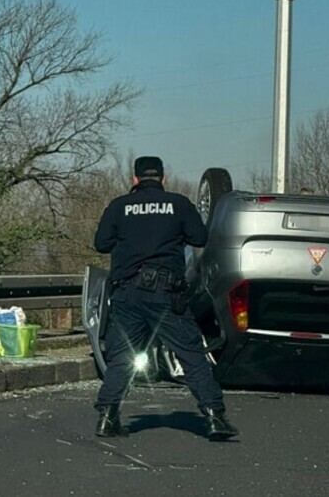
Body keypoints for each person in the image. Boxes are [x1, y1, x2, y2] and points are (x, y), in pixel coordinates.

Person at [92, 156, 239, 441]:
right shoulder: (179, 204)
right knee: (192, 355)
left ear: (134, 179)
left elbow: (101, 244)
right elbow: (199, 238)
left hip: (127, 294)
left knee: (122, 357)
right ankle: (214, 417)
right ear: (163, 178)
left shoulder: (119, 206)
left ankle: (107, 417)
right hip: (165, 294)